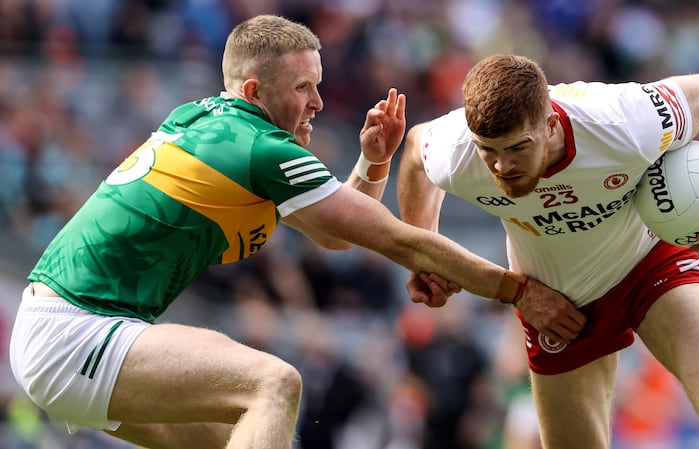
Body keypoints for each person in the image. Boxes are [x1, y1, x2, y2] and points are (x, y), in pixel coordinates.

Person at [7, 18, 552, 449]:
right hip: (76, 334)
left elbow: (338, 234)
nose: (318, 102)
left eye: (319, 85)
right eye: (303, 87)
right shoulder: (256, 147)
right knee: (274, 384)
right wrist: (521, 292)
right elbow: (397, 240)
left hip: (66, 334)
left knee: (233, 438)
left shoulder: (215, 127)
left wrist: (372, 164)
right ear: (253, 91)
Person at [397, 53, 699, 448]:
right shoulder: (457, 151)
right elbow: (415, 150)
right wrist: (425, 247)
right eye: (490, 150)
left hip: (649, 266)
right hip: (556, 304)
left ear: (551, 124)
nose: (502, 166)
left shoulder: (624, 121)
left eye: (517, 147)